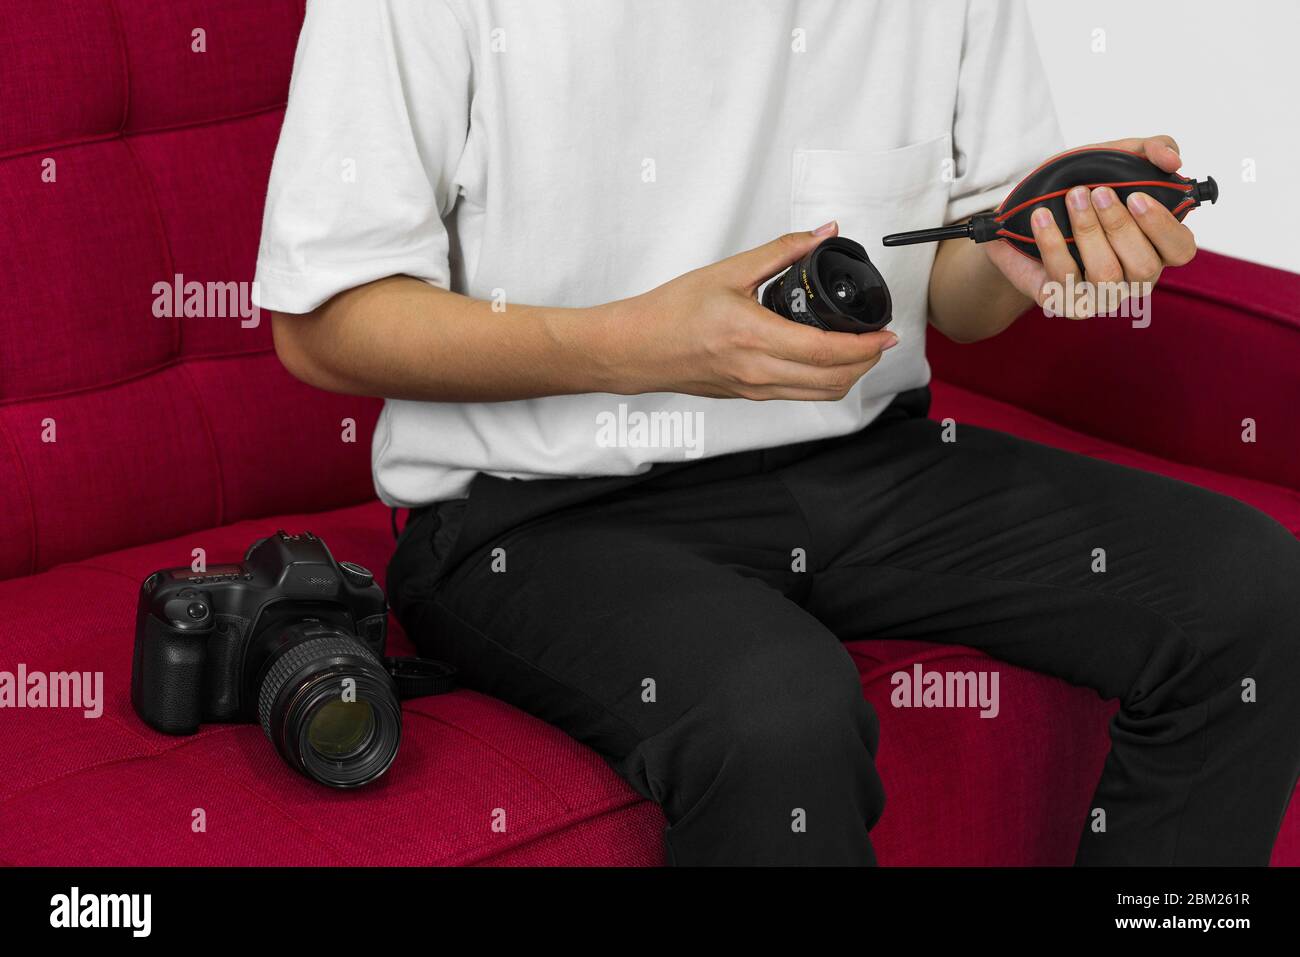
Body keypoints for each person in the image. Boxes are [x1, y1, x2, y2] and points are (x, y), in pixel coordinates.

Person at [253, 0, 1300, 865]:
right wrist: (640, 346)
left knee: (1251, 591)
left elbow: (960, 295)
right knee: (776, 717)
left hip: (864, 460)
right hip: (533, 510)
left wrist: (1029, 245)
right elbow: (321, 325)